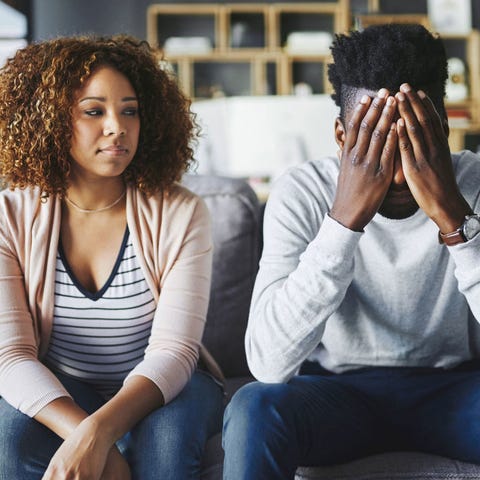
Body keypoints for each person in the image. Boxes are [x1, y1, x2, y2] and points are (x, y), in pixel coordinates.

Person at [222, 23, 480, 479]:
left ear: (442, 128)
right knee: (253, 406)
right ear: (342, 137)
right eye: (375, 143)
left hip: (454, 390)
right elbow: (267, 362)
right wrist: (343, 222)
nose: (399, 176)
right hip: (337, 395)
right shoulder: (302, 191)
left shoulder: (474, 184)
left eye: (414, 140)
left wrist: (455, 220)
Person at [0, 35, 224, 480]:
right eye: (94, 110)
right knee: (11, 442)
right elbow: (12, 357)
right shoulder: (10, 215)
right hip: (62, 382)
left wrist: (99, 435)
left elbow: (175, 352)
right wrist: (85, 432)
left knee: (166, 451)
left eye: (129, 110)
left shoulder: (181, 213)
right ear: (50, 120)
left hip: (163, 386)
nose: (117, 127)